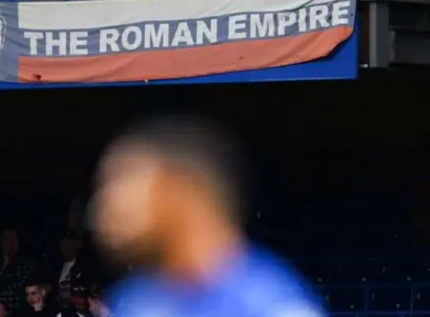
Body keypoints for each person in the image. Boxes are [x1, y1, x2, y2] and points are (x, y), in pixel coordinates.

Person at [88, 114, 326, 317]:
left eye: (123, 181)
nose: (105, 206)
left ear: (181, 188)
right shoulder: (133, 300)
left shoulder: (270, 304)